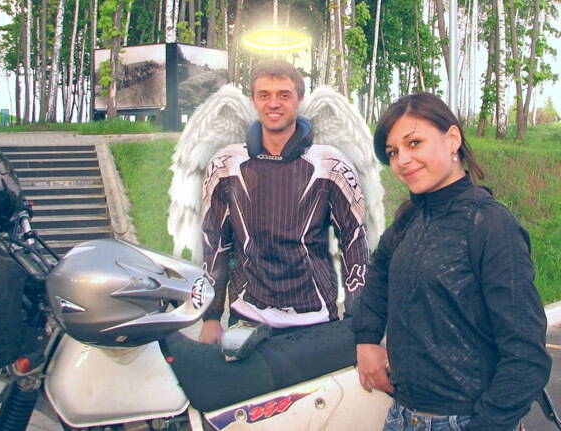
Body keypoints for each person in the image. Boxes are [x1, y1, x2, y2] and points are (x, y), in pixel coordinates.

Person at [351, 93, 551, 430]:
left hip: (467, 419)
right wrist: (366, 338)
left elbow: (526, 354)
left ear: (453, 139)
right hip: (402, 416)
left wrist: (486, 424)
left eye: (414, 143)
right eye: (393, 152)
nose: (402, 160)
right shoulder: (410, 219)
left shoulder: (489, 224)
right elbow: (378, 275)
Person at [198, 60, 369, 343]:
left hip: (314, 320)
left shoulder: (332, 164)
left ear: (299, 99)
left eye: (284, 95)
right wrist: (211, 317)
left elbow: (354, 242)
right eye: (264, 95)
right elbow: (215, 243)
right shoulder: (225, 164)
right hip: (247, 318)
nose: (273, 103)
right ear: (253, 101)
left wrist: (358, 322)